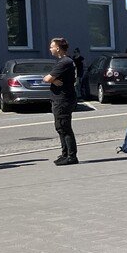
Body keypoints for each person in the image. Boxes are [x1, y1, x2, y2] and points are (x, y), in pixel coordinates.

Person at [43, 37, 78, 165]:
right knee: (60, 128)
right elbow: (50, 78)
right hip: (60, 99)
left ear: (58, 48)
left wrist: (51, 79)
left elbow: (47, 78)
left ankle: (71, 156)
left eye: (51, 46)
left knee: (64, 127)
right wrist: (53, 79)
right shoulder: (63, 62)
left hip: (63, 100)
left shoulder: (64, 62)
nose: (50, 49)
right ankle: (65, 154)